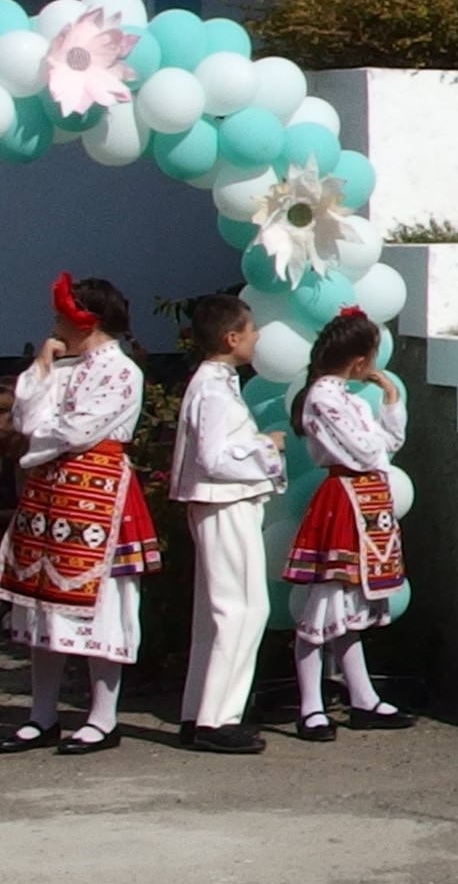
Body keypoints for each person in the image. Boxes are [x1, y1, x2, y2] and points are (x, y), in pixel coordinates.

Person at [2, 276, 157, 753]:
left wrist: (40, 441)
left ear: (84, 322)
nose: (53, 326)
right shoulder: (64, 369)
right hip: (50, 494)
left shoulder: (122, 371)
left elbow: (77, 431)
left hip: (97, 492)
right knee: (41, 605)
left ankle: (103, 718)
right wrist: (42, 366)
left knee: (103, 603)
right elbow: (27, 421)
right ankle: (42, 714)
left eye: (59, 319)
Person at [283, 310, 412, 740]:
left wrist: (390, 397)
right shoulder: (323, 399)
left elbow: (389, 442)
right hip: (345, 500)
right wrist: (377, 442)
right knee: (325, 602)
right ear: (359, 361)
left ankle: (362, 697)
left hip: (366, 501)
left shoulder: (350, 399)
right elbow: (368, 452)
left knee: (350, 607)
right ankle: (310, 705)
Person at [170, 294, 282, 754]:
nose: (257, 337)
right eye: (251, 330)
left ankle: (200, 710)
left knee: (219, 612)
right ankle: (218, 718)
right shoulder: (213, 389)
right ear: (231, 337)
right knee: (243, 609)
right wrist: (265, 447)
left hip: (223, 502)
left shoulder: (215, 383)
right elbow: (214, 457)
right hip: (225, 502)